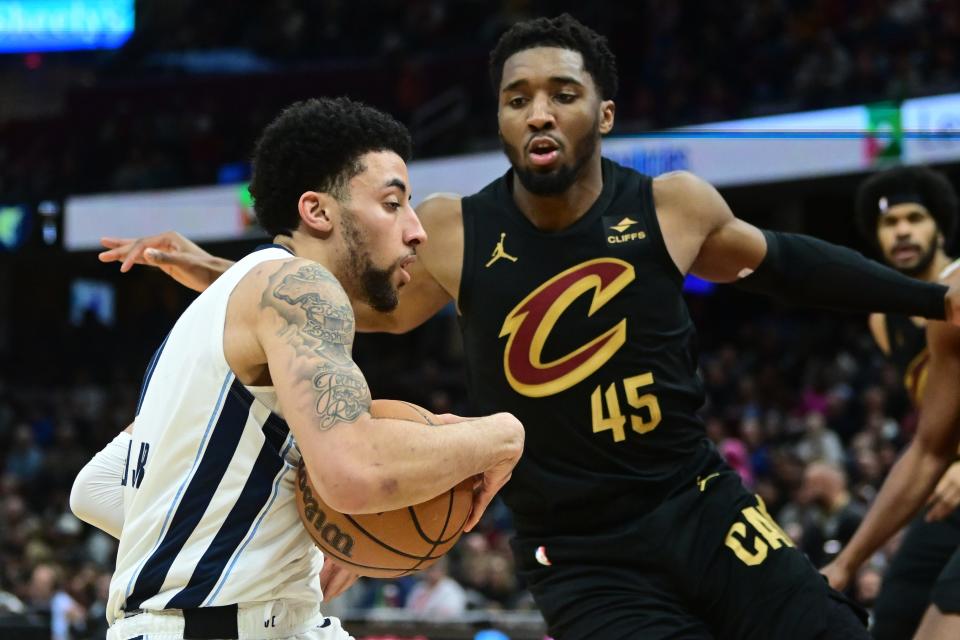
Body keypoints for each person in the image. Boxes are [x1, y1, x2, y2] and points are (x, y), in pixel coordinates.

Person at [98, 14, 960, 639]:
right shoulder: (452, 229)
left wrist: (934, 301)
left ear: (604, 114)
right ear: (502, 123)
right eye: (517, 98)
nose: (538, 111)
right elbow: (338, 302)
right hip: (580, 550)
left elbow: (786, 262)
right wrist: (225, 278)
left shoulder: (672, 204)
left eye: (561, 93)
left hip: (695, 501)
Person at [79, 97, 524, 640]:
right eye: (392, 204)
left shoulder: (213, 314)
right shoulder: (303, 287)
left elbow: (96, 487)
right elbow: (357, 473)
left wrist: (290, 547)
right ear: (317, 212)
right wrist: (502, 435)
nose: (417, 230)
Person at [820, 167, 960, 639]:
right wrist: (845, 563)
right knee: (892, 617)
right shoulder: (885, 320)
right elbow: (929, 445)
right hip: (947, 486)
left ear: (939, 228)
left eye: (914, 218)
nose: (901, 230)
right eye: (889, 222)